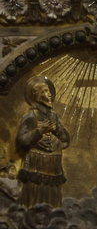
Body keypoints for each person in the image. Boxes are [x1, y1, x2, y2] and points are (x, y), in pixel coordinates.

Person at [16, 76, 70, 208]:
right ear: (36, 96)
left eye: (49, 91)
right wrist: (39, 131)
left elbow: (66, 139)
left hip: (53, 165)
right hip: (36, 164)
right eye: (45, 92)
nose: (49, 95)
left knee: (52, 196)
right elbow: (21, 141)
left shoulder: (53, 116)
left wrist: (56, 129)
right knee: (36, 195)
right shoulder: (31, 116)